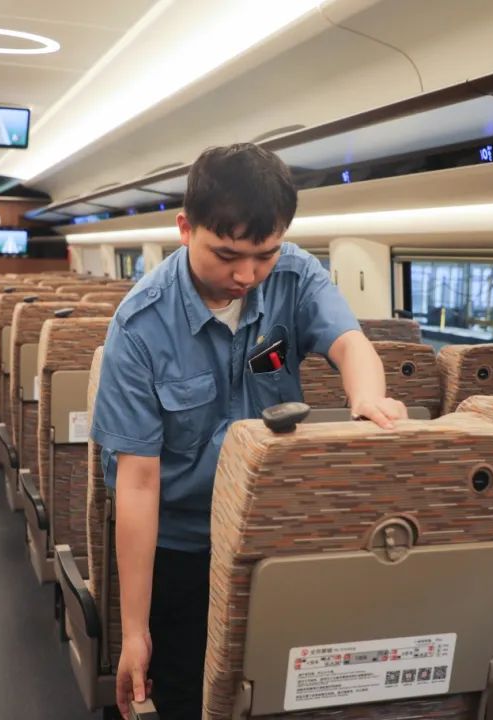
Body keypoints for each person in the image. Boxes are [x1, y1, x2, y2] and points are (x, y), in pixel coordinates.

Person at [90, 143, 408, 719]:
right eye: (227, 255)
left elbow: (350, 343)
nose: (246, 275)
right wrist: (133, 631)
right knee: (188, 695)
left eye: (264, 255)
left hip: (278, 530)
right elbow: (137, 484)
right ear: (185, 229)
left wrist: (366, 398)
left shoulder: (294, 274)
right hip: (185, 543)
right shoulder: (138, 328)